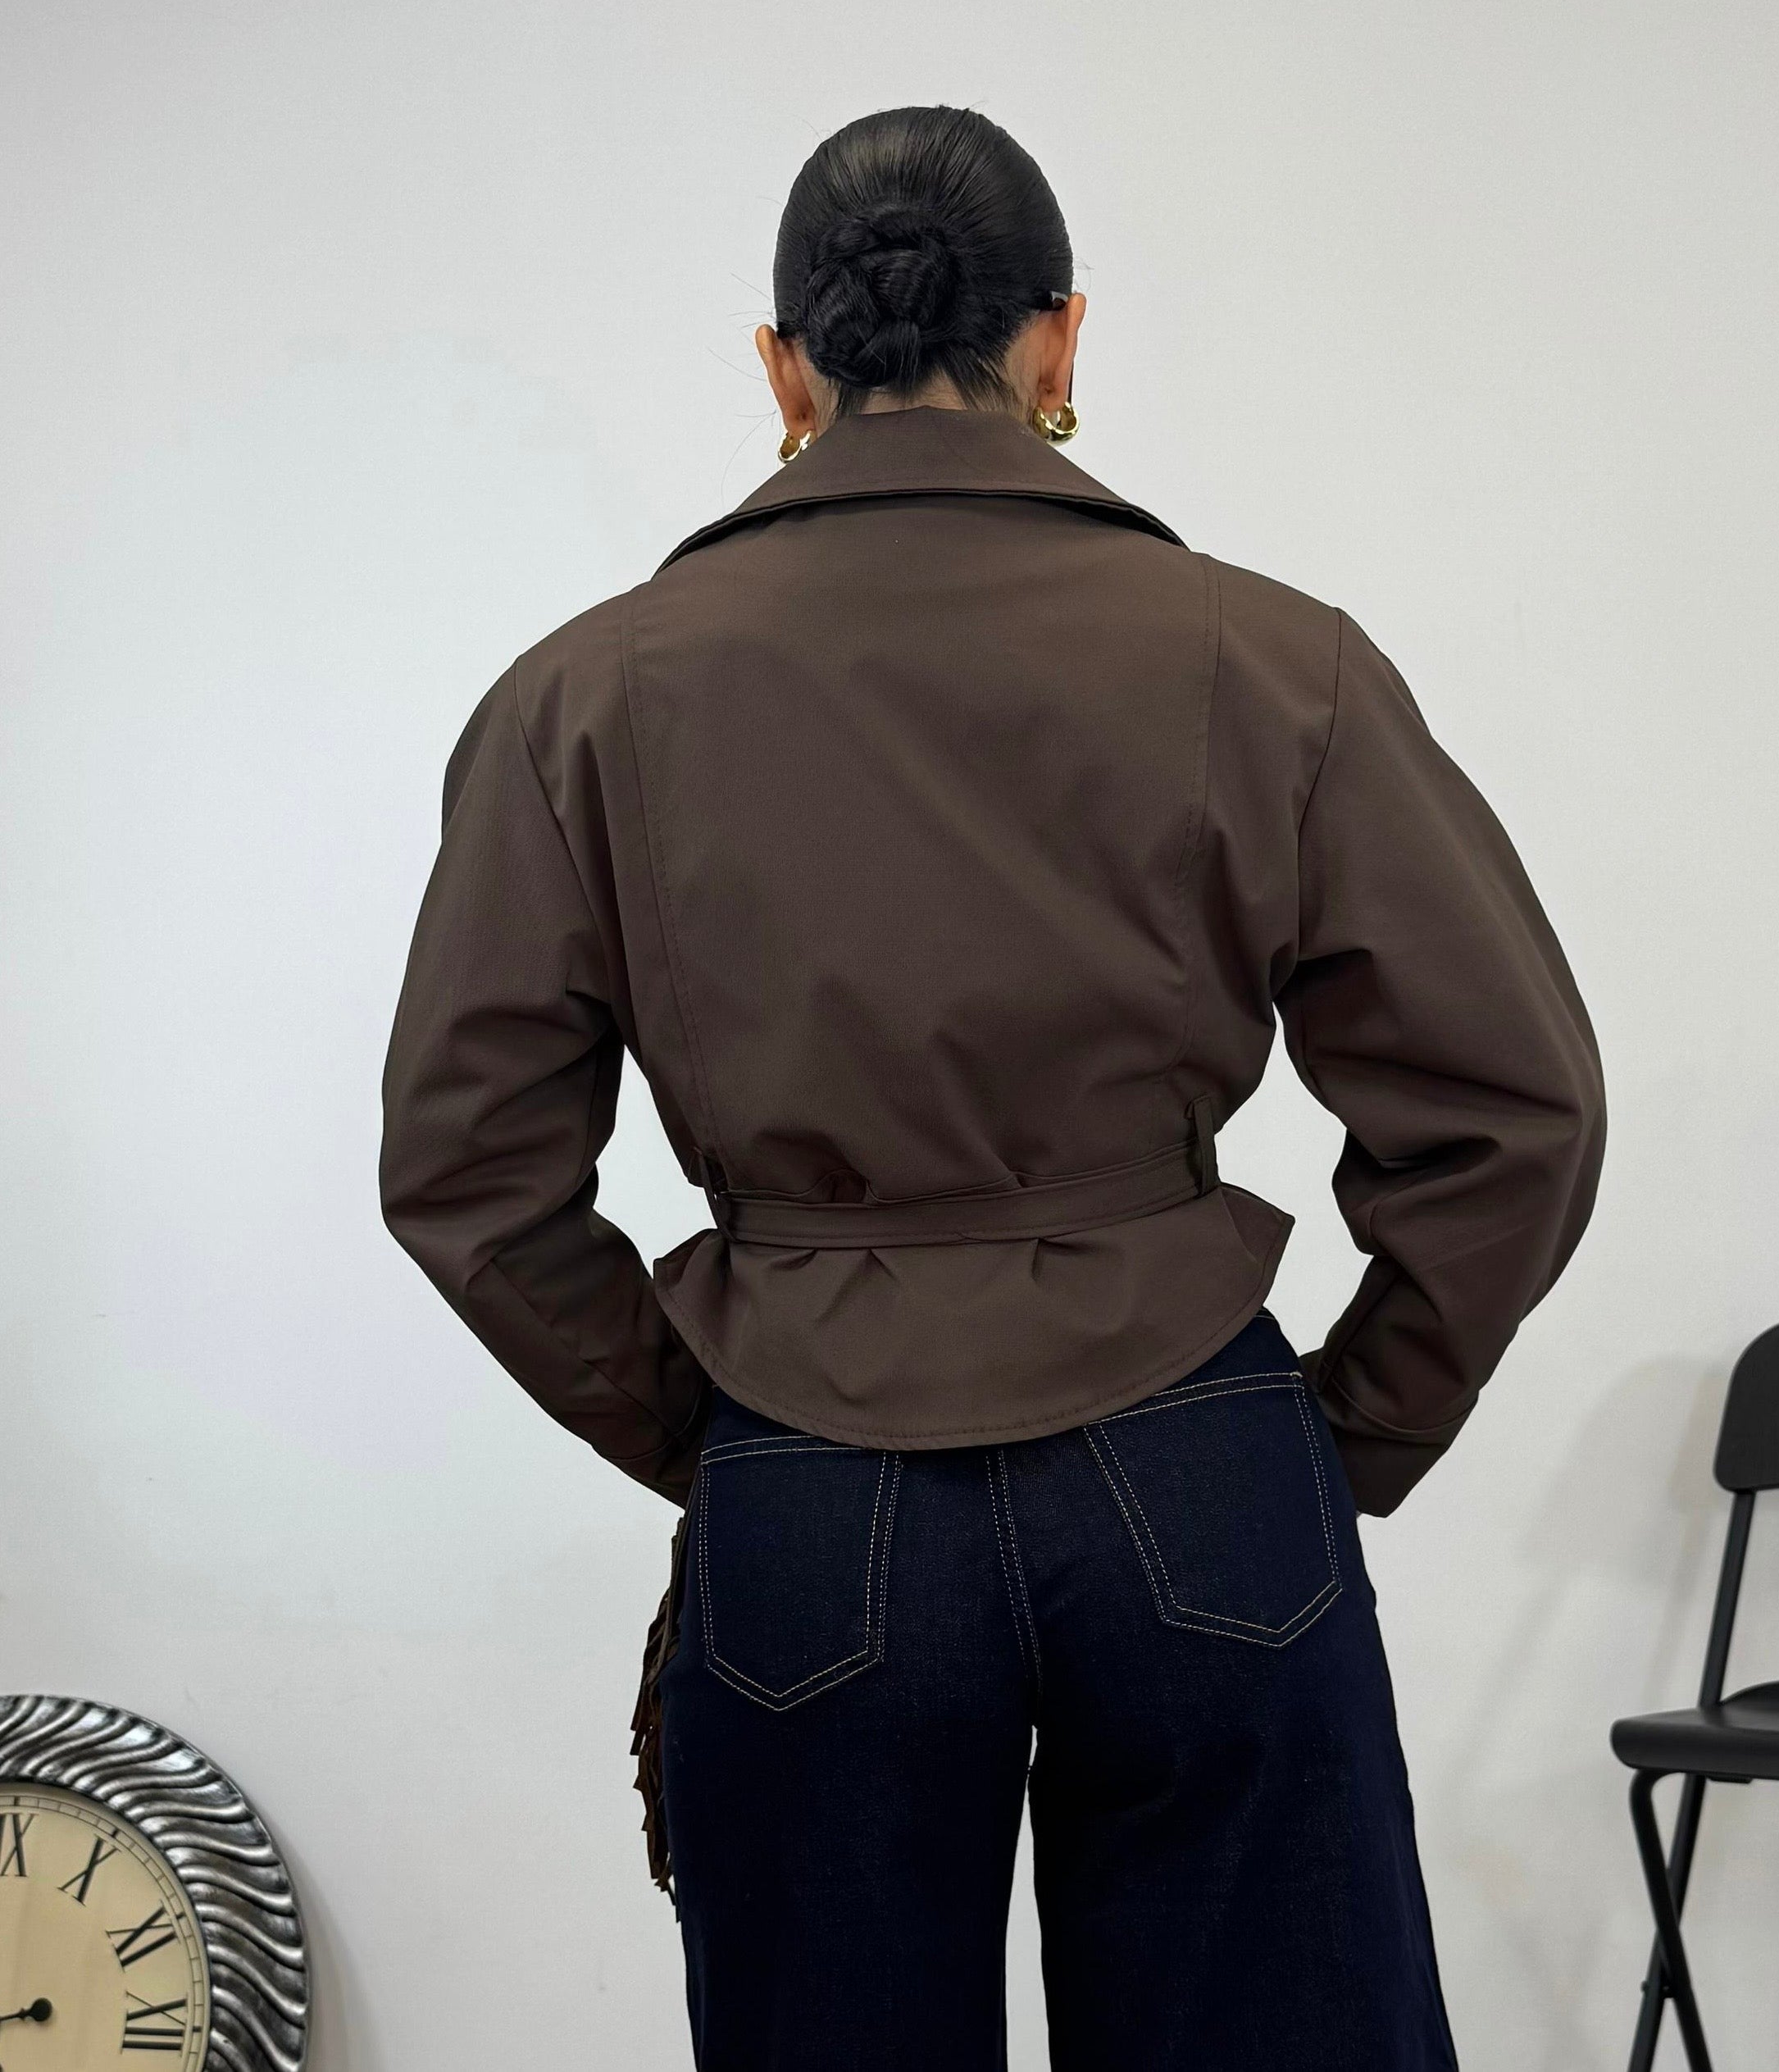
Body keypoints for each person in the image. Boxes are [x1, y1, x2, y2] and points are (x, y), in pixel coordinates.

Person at [380, 106, 1604, 2070]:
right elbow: (1513, 1105)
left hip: (808, 1473)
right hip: (1197, 1457)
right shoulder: (1267, 659)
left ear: (782, 368)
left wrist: (710, 1428)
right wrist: (1343, 1437)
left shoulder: (583, 697)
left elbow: (465, 1169)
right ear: (1058, 340)